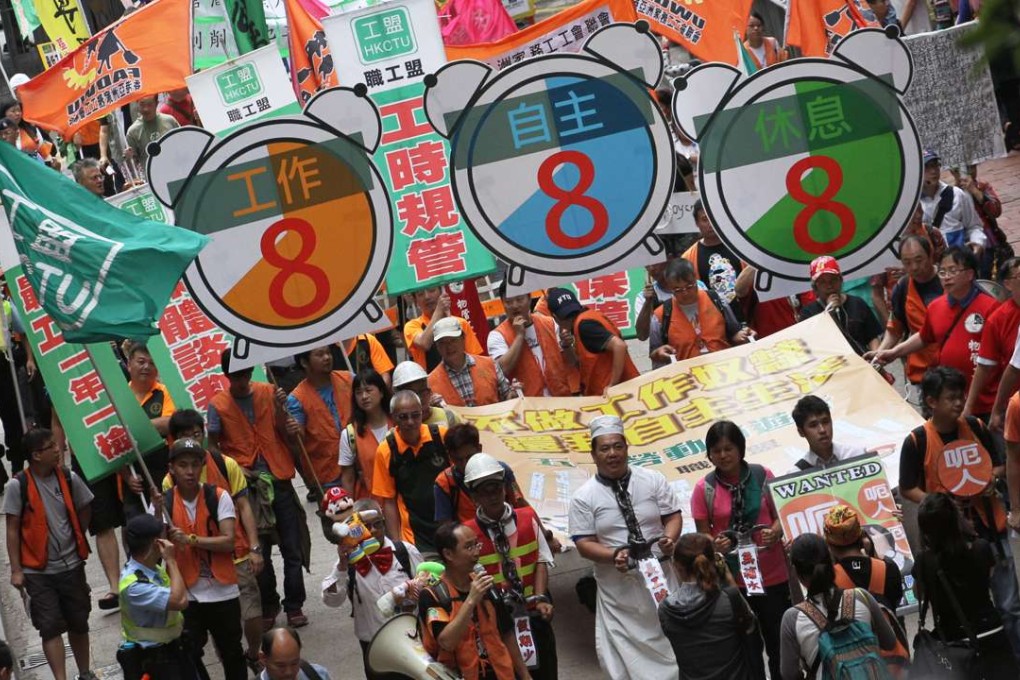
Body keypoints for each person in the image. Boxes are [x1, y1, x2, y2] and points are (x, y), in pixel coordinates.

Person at [898, 366, 1020, 657]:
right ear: (931, 401)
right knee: (963, 607)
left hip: (990, 529)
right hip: (949, 539)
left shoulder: (976, 426)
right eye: (951, 398)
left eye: (960, 396)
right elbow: (907, 487)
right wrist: (937, 505)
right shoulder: (917, 441)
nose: (959, 403)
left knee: (1009, 605)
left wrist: (991, 479)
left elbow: (1000, 465)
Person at [568, 415, 682, 679]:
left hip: (661, 578)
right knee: (627, 659)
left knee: (675, 641)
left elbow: (672, 516)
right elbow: (584, 544)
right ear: (593, 455)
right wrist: (614, 555)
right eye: (605, 448)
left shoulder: (652, 479)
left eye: (618, 446)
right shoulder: (583, 497)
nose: (612, 454)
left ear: (627, 448)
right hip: (618, 591)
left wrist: (669, 538)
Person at [209, 351, 309, 629]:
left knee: (292, 545)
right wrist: (231, 466)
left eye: (245, 373)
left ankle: (294, 605)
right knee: (259, 551)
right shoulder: (217, 405)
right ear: (227, 376)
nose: (242, 381)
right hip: (248, 487)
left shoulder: (270, 392)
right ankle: (269, 604)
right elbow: (212, 446)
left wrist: (283, 412)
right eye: (236, 376)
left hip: (279, 476)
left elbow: (287, 433)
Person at [166, 409, 265, 672]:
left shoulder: (223, 473)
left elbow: (242, 511)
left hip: (233, 565)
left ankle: (253, 653)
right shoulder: (165, 494)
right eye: (182, 465)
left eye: (197, 434)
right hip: (189, 583)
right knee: (195, 648)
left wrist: (254, 547)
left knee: (247, 622)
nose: (189, 471)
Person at [690, 421, 788, 679]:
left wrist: (774, 532)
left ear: (740, 449)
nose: (723, 455)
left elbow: (782, 514)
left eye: (728, 448)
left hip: (773, 575)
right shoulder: (704, 489)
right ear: (709, 454)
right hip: (734, 582)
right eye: (716, 450)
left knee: (779, 641)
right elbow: (703, 535)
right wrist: (715, 544)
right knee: (747, 646)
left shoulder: (762, 475)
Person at [2, 428, 96, 680]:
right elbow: (11, 529)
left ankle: (85, 672)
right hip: (37, 571)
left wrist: (77, 536)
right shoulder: (17, 486)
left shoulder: (68, 477)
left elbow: (85, 505)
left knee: (79, 621)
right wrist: (16, 570)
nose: (58, 449)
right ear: (36, 455)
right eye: (51, 446)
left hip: (72, 564)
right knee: (49, 627)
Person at [869, 247, 1000, 415]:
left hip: (988, 402)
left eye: (953, 270)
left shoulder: (991, 308)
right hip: (951, 401)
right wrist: (893, 352)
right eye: (943, 272)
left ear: (970, 274)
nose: (947, 277)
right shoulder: (936, 307)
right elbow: (924, 336)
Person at [464, 454, 557, 679]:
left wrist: (541, 598)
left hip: (533, 613)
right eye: (485, 491)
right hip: (495, 624)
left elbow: (541, 560)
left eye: (496, 488)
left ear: (505, 488)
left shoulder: (527, 518)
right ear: (474, 496)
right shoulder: (467, 533)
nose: (492, 495)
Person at [162, 438, 246, 680]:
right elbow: (157, 548)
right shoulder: (163, 503)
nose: (189, 471)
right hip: (187, 594)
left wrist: (190, 539)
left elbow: (228, 541)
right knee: (189, 654)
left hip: (223, 591)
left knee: (232, 652)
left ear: (202, 466)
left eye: (195, 464)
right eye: (183, 465)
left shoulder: (219, 496)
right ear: (172, 469)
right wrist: (157, 516)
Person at [914, 493, 1019, 679]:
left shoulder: (925, 561)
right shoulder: (981, 547)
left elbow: (919, 594)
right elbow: (989, 577)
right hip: (992, 631)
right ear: (956, 517)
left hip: (955, 642)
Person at [322, 498, 424, 678]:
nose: (374, 530)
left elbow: (427, 584)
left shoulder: (405, 551)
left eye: (378, 524)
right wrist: (342, 567)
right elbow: (332, 601)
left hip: (413, 638)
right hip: (375, 645)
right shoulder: (347, 563)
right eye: (367, 526)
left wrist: (413, 592)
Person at [417, 522, 530, 680]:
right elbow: (447, 642)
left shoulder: (487, 585)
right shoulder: (432, 595)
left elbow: (507, 633)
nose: (477, 552)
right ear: (448, 554)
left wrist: (525, 676)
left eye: (477, 544)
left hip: (501, 674)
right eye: (469, 547)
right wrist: (471, 599)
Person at [780, 534, 896, 679]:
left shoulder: (792, 619)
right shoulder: (861, 597)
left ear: (796, 572)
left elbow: (789, 674)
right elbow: (889, 642)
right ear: (831, 561)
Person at [658, 533, 766, 680]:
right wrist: (727, 577)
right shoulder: (729, 600)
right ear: (713, 562)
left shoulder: (666, 610)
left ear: (676, 566)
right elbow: (753, 637)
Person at [822, 506, 910, 675]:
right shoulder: (888, 568)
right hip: (895, 659)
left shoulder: (829, 580)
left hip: (857, 666)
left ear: (829, 544)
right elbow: (895, 602)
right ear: (861, 536)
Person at [116, 514, 193, 680]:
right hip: (154, 660)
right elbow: (180, 601)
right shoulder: (135, 585)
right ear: (156, 543)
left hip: (173, 649)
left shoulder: (150, 568)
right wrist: (171, 561)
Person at [372, 391, 449, 554]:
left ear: (422, 413)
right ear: (393, 418)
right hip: (415, 537)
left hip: (450, 526)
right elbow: (389, 501)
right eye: (403, 417)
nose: (410, 422)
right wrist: (397, 545)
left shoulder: (440, 436)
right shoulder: (386, 450)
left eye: (415, 415)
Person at [874, 234, 943, 391]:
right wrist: (880, 354)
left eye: (919, 260)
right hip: (924, 371)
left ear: (930, 255)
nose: (914, 267)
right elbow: (894, 330)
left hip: (954, 365)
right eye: (907, 262)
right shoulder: (902, 287)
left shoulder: (948, 281)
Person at [649, 258, 748, 368]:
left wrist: (743, 335)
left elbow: (735, 332)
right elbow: (653, 353)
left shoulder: (716, 300)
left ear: (696, 279)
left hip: (724, 366)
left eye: (689, 286)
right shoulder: (661, 316)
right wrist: (658, 353)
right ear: (669, 287)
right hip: (687, 372)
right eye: (678, 290)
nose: (685, 293)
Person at [545, 288, 638, 396]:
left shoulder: (584, 326)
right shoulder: (588, 316)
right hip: (625, 390)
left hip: (619, 394)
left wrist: (612, 385)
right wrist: (566, 345)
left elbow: (620, 346)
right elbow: (576, 363)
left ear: (555, 317)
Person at [287, 346, 353, 496]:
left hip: (359, 464)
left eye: (328, 353)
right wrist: (293, 431)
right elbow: (298, 441)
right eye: (320, 354)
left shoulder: (349, 379)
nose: (327, 358)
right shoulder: (296, 399)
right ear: (304, 362)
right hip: (327, 473)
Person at [489, 282, 575, 397]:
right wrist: (519, 336)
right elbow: (502, 370)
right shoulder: (497, 335)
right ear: (502, 304)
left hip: (561, 398)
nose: (515, 305)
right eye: (508, 301)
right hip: (528, 403)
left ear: (529, 299)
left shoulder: (549, 323)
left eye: (519, 299)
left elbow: (572, 361)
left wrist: (566, 345)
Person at [122, 342, 175, 518]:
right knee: (136, 524)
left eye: (151, 363)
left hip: (162, 469)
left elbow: (168, 423)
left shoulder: (164, 392)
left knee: (166, 519)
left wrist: (131, 427)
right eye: (141, 362)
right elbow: (112, 436)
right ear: (129, 364)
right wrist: (126, 477)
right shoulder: (119, 395)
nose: (146, 367)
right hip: (132, 474)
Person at [434, 427, 527, 524]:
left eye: (469, 457)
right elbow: (446, 527)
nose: (464, 464)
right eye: (458, 460)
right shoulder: (444, 483)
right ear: (449, 456)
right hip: (468, 533)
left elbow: (520, 504)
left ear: (479, 449)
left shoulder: (501, 470)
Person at [965, 257, 1020, 419]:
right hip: (1013, 405)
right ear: (1007, 284)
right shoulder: (998, 319)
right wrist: (969, 407)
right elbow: (984, 366)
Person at [799, 256, 884, 356]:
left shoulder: (857, 303)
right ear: (815, 288)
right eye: (822, 282)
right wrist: (830, 313)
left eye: (833, 280)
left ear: (841, 280)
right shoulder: (808, 313)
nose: (829, 286)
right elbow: (810, 347)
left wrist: (875, 356)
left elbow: (872, 337)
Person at [428, 317, 513, 407]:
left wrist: (514, 393)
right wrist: (431, 409)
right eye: (442, 343)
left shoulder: (490, 364)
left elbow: (507, 396)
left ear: (463, 338)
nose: (449, 347)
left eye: (453, 340)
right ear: (437, 347)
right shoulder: (430, 382)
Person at [918, 150, 984, 256]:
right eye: (927, 167)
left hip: (959, 260)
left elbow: (974, 226)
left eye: (935, 165)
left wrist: (977, 243)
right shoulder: (912, 206)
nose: (933, 171)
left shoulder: (956, 194)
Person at [339, 370, 393, 500]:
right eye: (358, 392)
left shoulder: (399, 422)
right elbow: (348, 478)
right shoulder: (350, 434)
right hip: (371, 504)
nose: (364, 396)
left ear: (381, 392)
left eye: (368, 390)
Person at [403, 287, 483, 371]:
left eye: (432, 290)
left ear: (441, 292)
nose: (427, 297)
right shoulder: (412, 326)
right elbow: (424, 343)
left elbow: (475, 360)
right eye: (420, 294)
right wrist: (438, 311)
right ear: (415, 301)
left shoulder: (460, 323)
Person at [791, 396, 867, 471]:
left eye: (825, 422)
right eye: (813, 425)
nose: (822, 430)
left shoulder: (856, 455)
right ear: (801, 432)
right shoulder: (797, 473)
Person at [391, 361, 458, 427]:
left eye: (422, 391)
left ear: (429, 392)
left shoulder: (449, 417)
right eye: (412, 394)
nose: (419, 398)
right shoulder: (397, 429)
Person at [0, 98, 58, 167]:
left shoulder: (31, 129)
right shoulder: (2, 137)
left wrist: (52, 163)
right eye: (13, 111)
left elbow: (44, 151)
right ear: (3, 114)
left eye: (19, 110)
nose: (17, 113)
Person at [258, 627, 332, 680]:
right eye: (281, 666)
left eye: (294, 663)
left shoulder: (318, 674)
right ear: (263, 659)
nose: (289, 672)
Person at [124, 95, 179, 167]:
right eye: (142, 104)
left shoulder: (170, 121)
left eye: (150, 104)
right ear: (137, 104)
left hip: (175, 168)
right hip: (150, 172)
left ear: (156, 103)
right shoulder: (132, 131)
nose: (146, 109)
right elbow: (133, 164)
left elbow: (182, 143)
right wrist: (128, 158)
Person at [634, 260, 675, 342]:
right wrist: (647, 303)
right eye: (647, 265)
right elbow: (642, 336)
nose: (651, 268)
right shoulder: (643, 297)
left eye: (655, 263)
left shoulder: (694, 286)